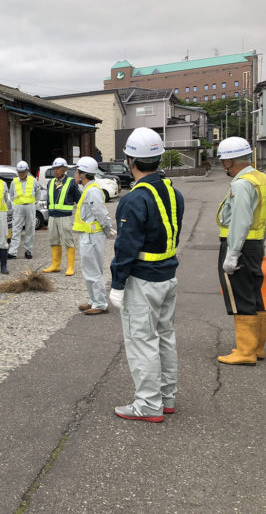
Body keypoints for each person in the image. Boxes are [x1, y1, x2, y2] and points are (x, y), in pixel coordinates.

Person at [109, 127, 184, 422]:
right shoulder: (173, 192)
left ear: (130, 160)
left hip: (143, 281)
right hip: (168, 276)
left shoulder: (134, 199)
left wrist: (117, 283)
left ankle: (148, 404)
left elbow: (125, 247)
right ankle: (166, 397)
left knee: (143, 341)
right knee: (165, 337)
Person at [214, 136, 266, 365]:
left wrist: (232, 253)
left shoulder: (241, 184)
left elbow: (240, 221)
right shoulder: (260, 178)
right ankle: (257, 347)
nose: (223, 166)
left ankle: (245, 352)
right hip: (255, 245)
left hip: (241, 246)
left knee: (240, 297)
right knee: (255, 296)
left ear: (230, 162)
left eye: (223, 161)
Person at [73, 157, 115, 315]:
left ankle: (100, 303)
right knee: (88, 269)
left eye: (77, 172)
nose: (75, 175)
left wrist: (107, 230)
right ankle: (93, 300)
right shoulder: (88, 190)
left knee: (93, 270)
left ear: (83, 174)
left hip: (93, 236)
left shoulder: (92, 191)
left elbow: (102, 215)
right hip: (89, 235)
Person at [43, 157, 81, 276]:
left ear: (64, 169)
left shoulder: (70, 182)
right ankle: (55, 265)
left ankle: (70, 267)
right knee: (54, 240)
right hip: (52, 216)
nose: (56, 171)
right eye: (54, 168)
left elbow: (79, 200)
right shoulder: (50, 182)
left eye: (58, 168)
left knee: (68, 240)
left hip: (65, 216)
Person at [8, 160, 41, 260]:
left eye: (23, 172)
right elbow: (12, 195)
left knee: (30, 229)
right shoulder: (14, 182)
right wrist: (15, 205)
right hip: (18, 208)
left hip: (30, 207)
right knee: (16, 230)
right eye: (19, 172)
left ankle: (28, 251)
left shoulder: (33, 180)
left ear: (27, 171)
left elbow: (38, 193)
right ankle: (12, 252)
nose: (21, 174)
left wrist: (34, 203)